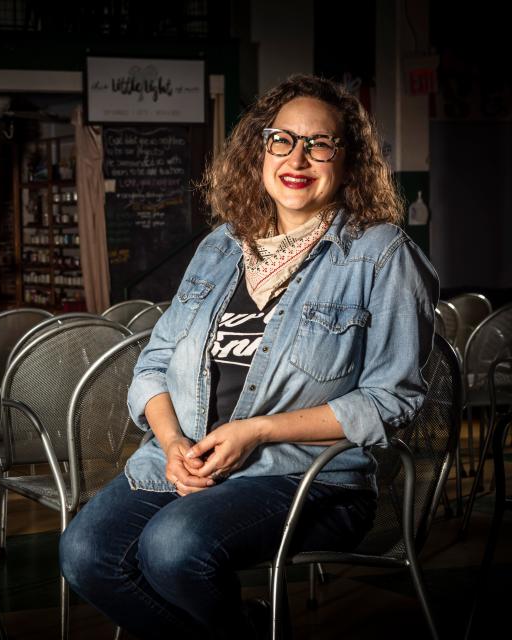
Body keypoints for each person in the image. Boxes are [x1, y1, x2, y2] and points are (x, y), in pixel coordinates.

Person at [59, 74, 438, 639]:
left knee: (172, 547)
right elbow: (153, 363)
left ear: (347, 158)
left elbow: (393, 399)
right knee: (86, 554)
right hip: (187, 466)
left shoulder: (380, 254)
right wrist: (171, 445)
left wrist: (257, 431)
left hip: (307, 480)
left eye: (319, 143)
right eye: (281, 139)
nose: (298, 158)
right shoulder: (220, 245)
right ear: (259, 151)